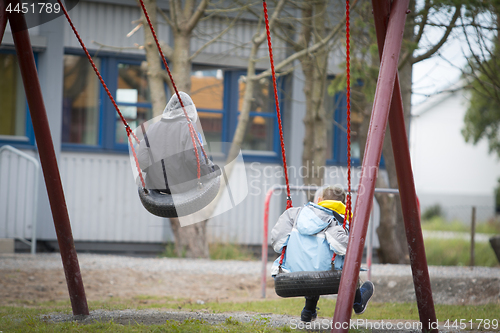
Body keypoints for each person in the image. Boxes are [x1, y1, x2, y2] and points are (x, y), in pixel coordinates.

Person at [270, 185, 374, 322]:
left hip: (290, 271)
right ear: (343, 204)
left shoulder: (294, 214)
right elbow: (344, 247)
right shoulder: (336, 219)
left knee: (314, 258)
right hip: (327, 274)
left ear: (319, 200)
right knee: (345, 264)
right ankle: (358, 302)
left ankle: (308, 310)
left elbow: (277, 242)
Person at [137, 92, 218, 194]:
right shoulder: (189, 127)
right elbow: (192, 159)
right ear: (191, 110)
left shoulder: (152, 128)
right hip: (182, 187)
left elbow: (142, 159)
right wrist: (210, 172)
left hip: (156, 186)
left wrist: (156, 174)